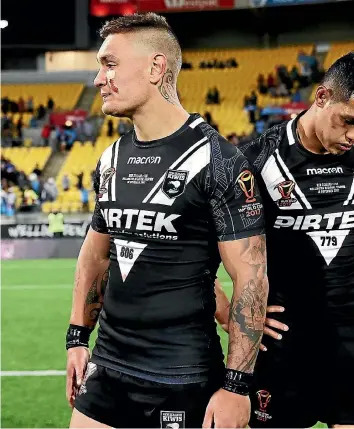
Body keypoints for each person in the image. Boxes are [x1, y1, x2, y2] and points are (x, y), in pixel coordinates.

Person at [66, 12, 268, 429]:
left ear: (157, 68)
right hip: (106, 368)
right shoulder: (110, 160)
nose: (98, 79)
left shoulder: (220, 162)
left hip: (183, 377)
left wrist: (236, 388)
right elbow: (97, 257)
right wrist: (76, 338)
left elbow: (251, 278)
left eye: (110, 64)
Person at [216, 51, 354, 428]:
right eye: (349, 121)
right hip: (278, 344)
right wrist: (230, 313)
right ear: (322, 96)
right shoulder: (254, 161)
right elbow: (196, 247)